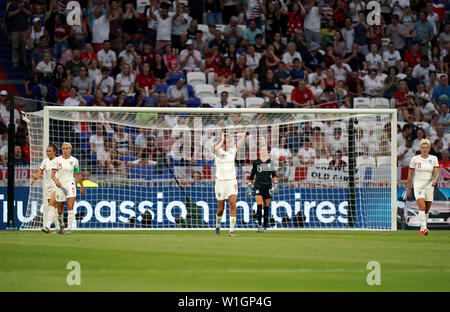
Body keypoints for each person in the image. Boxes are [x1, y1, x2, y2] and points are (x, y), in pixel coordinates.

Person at [213, 131, 246, 237]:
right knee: (221, 208)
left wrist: (232, 135)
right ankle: (217, 226)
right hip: (220, 182)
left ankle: (231, 230)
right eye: (226, 138)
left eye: (228, 138)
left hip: (231, 181)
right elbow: (215, 149)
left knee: (233, 203)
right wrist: (223, 139)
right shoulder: (218, 151)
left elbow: (244, 135)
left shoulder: (233, 150)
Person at [406, 139, 440, 236]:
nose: (424, 149)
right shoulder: (415, 159)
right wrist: (408, 188)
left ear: (429, 149)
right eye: (423, 147)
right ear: (420, 148)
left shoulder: (434, 159)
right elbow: (410, 175)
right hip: (418, 186)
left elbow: (437, 173)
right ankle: (425, 229)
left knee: (427, 208)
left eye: (426, 148)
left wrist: (435, 180)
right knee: (422, 206)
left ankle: (421, 230)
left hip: (429, 186)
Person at [51, 142, 86, 235]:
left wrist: (82, 186)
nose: (65, 150)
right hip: (60, 186)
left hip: (70, 185)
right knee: (60, 210)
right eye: (63, 149)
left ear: (70, 150)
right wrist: (56, 181)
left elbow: (77, 175)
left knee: (70, 206)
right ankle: (61, 225)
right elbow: (53, 174)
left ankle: (69, 229)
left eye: (67, 149)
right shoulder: (57, 160)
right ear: (61, 150)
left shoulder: (74, 161)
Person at [30, 143, 60, 234]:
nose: (48, 153)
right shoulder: (45, 161)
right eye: (47, 151)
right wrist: (34, 179)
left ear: (54, 152)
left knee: (51, 205)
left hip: (56, 186)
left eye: (50, 151)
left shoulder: (58, 161)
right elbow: (39, 172)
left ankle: (47, 226)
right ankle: (59, 228)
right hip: (48, 187)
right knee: (53, 208)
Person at [247, 146, 278, 232]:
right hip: (258, 186)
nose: (264, 151)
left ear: (267, 152)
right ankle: (259, 226)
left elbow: (274, 175)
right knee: (259, 206)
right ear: (260, 151)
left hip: (267, 187)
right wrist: (249, 186)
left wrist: (275, 184)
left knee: (267, 207)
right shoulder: (256, 162)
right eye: (262, 149)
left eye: (265, 149)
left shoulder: (270, 162)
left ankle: (265, 227)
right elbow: (252, 175)